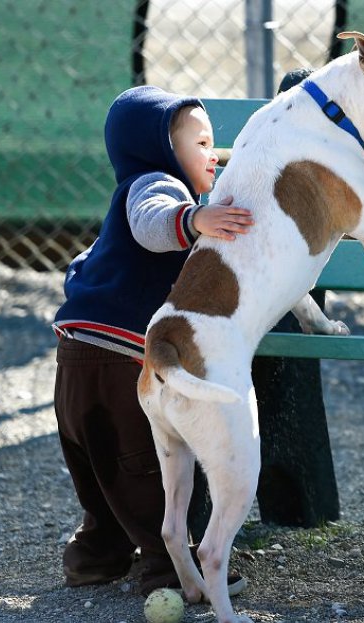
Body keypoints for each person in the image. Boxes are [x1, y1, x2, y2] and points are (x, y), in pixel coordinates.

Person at [51, 85, 253, 595]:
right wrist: (193, 219)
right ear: (160, 148)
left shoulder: (126, 192)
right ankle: (169, 569)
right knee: (138, 467)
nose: (214, 154)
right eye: (201, 143)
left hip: (77, 351)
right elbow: (151, 226)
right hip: (119, 356)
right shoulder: (155, 184)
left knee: (99, 469)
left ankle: (97, 553)